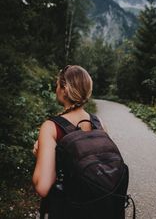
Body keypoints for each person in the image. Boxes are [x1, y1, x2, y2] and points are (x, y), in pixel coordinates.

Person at [32, 65, 106, 202]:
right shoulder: (98, 123)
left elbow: (43, 187)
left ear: (64, 90)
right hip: (99, 205)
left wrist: (39, 156)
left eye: (57, 85)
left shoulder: (51, 127)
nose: (56, 90)